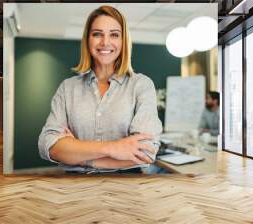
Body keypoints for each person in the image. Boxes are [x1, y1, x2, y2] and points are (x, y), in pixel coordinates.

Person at [38, 5, 163, 174]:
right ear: (87, 39)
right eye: (97, 34)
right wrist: (114, 147)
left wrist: (80, 156)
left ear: (123, 41)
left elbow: (145, 152)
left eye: (114, 34)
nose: (105, 42)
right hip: (74, 190)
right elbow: (49, 146)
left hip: (126, 189)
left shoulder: (141, 85)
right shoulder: (68, 88)